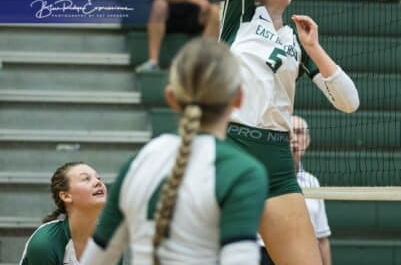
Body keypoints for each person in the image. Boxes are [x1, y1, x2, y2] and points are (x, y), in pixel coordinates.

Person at [219, 0, 360, 265]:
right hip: (230, 148)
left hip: (278, 159)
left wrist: (315, 49)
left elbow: (349, 102)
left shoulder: (298, 42)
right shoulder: (240, 15)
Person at [81, 38, 268, 265]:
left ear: (171, 97)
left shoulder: (139, 161)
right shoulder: (242, 172)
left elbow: (95, 259)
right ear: (239, 98)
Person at [260, 115, 333, 265]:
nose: (293, 139)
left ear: (307, 141)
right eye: (287, 134)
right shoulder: (258, 176)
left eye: (299, 133)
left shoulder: (312, 182)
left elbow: (322, 237)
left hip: (302, 254)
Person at [20, 162, 108, 265]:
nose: (98, 182)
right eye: (86, 179)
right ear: (66, 196)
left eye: (99, 178)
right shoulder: (45, 242)